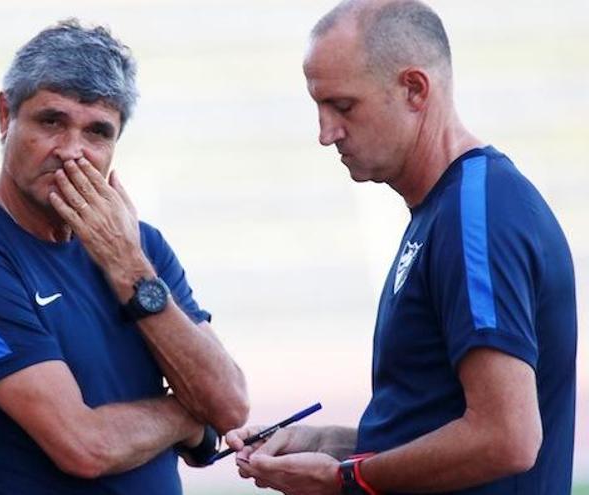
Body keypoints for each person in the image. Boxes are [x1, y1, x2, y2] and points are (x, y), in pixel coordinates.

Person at [225, 1, 577, 494]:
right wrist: (328, 443)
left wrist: (345, 479)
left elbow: (507, 437)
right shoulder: (449, 209)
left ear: (414, 89)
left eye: (343, 107)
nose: (326, 134)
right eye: (319, 108)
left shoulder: (474, 215)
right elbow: (434, 422)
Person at [0, 19, 249, 494]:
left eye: (97, 133)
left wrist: (128, 267)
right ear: (6, 115)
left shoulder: (141, 248)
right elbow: (84, 446)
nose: (72, 152)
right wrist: (190, 419)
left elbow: (231, 406)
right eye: (51, 121)